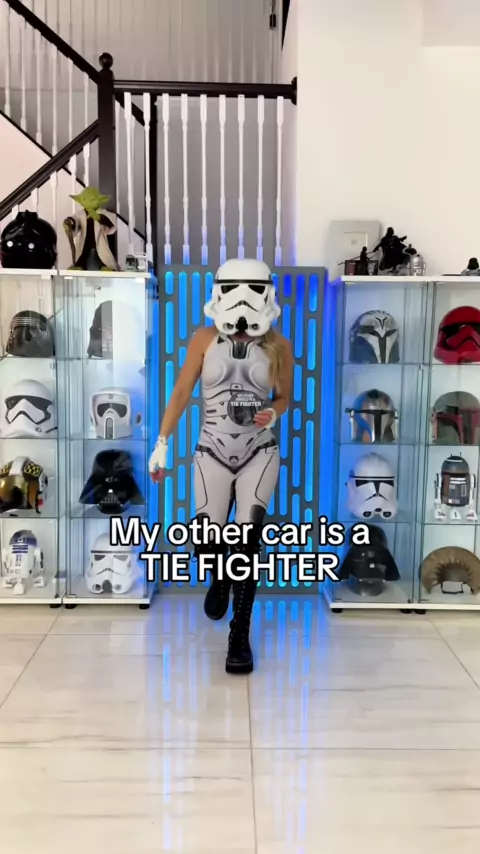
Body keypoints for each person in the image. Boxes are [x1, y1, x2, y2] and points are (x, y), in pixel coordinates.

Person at [149, 259, 293, 674]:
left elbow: (284, 396)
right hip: (211, 450)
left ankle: (239, 636)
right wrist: (162, 443)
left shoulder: (279, 346)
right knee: (206, 540)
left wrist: (274, 412)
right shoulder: (204, 339)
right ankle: (220, 576)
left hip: (258, 452)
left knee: (247, 543)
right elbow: (181, 390)